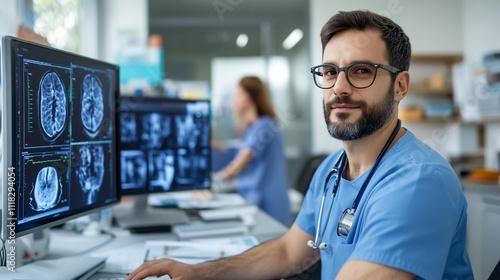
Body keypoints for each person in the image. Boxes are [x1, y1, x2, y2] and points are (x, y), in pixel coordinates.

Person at [127, 10, 473, 280]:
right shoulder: (331, 170)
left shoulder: (418, 181)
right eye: (329, 71)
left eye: (362, 71)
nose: (339, 87)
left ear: (400, 87)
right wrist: (199, 272)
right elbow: (290, 253)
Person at [211, 76, 292, 227]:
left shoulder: (265, 126)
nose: (234, 100)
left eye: (238, 94)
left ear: (250, 96)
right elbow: (241, 152)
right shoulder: (253, 128)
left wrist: (213, 183)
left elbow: (241, 162)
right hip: (254, 200)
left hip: (267, 203)